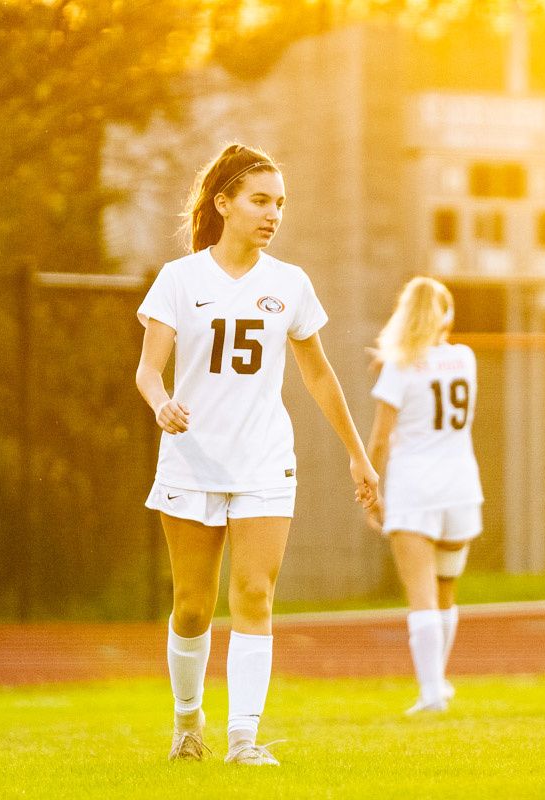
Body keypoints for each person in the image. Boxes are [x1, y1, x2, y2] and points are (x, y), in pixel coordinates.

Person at [135, 143, 378, 765]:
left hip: (265, 460)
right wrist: (162, 402)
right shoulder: (180, 279)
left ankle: (243, 737)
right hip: (191, 460)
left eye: (280, 204)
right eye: (260, 201)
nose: (273, 214)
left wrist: (358, 454)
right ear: (224, 204)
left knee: (254, 595)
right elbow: (147, 371)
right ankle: (188, 723)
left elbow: (320, 376)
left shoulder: (289, 283)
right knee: (192, 607)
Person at [365, 277, 483, 714]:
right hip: (461, 488)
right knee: (446, 590)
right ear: (446, 315)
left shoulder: (399, 366)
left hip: (415, 487)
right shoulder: (465, 359)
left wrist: (371, 490)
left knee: (421, 597)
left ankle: (431, 693)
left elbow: (379, 439)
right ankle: (438, 682)